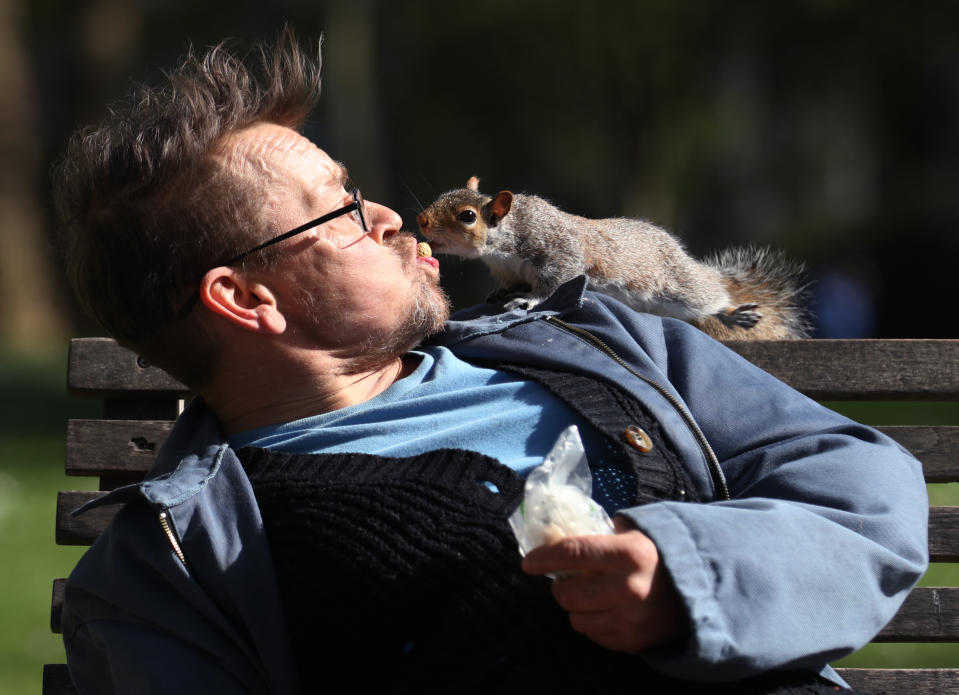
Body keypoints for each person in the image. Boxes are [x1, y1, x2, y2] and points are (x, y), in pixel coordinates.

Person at [53, 29, 928, 695]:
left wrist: (688, 576)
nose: (392, 215)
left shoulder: (606, 340)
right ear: (247, 300)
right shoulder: (160, 576)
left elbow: (862, 486)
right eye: (344, 211)